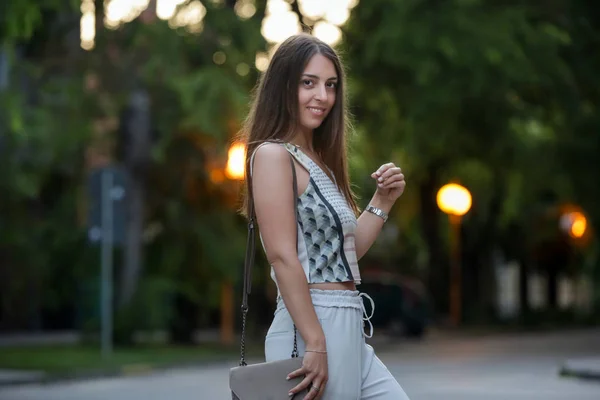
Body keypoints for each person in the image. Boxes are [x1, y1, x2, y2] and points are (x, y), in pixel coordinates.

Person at [241, 33, 410, 400]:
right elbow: (283, 257)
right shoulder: (273, 156)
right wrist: (316, 342)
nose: (323, 96)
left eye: (330, 85)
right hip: (311, 326)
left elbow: (347, 254)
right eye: (308, 83)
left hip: (347, 321)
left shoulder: (320, 163)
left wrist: (383, 199)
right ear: (283, 87)